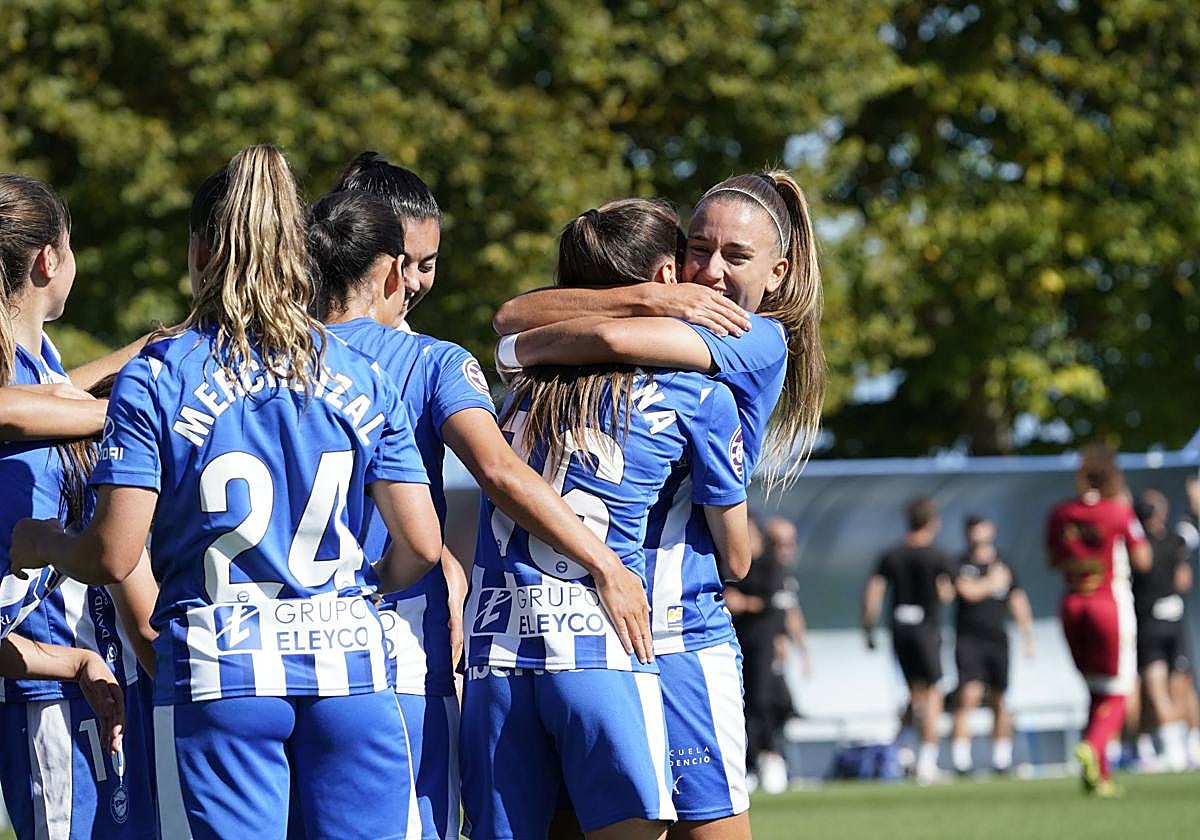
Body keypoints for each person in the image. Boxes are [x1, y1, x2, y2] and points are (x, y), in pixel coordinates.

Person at [10, 145, 445, 839]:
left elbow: (114, 555)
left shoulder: (160, 373)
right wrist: (358, 592)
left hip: (222, 669)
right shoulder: (362, 370)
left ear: (204, 248)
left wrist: (41, 542)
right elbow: (421, 545)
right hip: (350, 666)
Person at [307, 186, 652, 839]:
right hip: (392, 649)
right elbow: (497, 470)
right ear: (388, 269)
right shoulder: (430, 360)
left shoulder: (256, 362)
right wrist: (604, 562)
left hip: (273, 651)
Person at [493, 169, 824, 840]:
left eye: (737, 257)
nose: (710, 274)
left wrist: (522, 351)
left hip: (680, 636)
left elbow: (602, 338)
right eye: (699, 249)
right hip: (591, 632)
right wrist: (650, 296)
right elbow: (507, 314)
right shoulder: (667, 306)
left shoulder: (756, 339)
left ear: (778, 274)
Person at [462, 198, 751, 840]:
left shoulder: (513, 386)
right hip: (605, 648)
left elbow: (513, 324)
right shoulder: (697, 395)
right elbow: (738, 557)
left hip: (496, 656)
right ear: (664, 279)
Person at [0, 172, 157, 839]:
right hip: (41, 671)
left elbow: (60, 397)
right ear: (48, 261)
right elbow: (12, 410)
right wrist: (131, 413)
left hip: (83, 665)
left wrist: (147, 355)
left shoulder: (40, 353)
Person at [1046, 443, 1150, 797]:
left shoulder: (1060, 513)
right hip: (1109, 604)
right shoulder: (1118, 511)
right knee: (1120, 690)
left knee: (1096, 690)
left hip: (1073, 604)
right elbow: (1143, 557)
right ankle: (1093, 745)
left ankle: (1099, 775)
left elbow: (1052, 560)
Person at [861, 495, 955, 784]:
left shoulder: (891, 555)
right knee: (934, 690)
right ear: (932, 522)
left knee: (915, 693)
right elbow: (947, 593)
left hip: (899, 628)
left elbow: (873, 593)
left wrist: (868, 628)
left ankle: (903, 749)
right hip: (926, 629)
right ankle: (927, 761)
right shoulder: (938, 556)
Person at [725, 516, 808, 794]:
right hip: (738, 643)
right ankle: (748, 764)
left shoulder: (772, 567)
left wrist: (744, 603)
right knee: (740, 703)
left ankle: (770, 758)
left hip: (764, 645)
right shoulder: (729, 566)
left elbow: (778, 605)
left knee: (763, 701)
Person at [949, 515, 1034, 776]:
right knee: (969, 695)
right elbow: (966, 591)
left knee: (999, 699)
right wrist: (992, 582)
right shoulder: (960, 563)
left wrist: (1027, 636)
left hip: (997, 639)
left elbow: (1017, 599)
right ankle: (960, 761)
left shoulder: (1004, 563)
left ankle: (1001, 758)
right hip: (968, 639)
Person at [1131, 489, 1191, 771]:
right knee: (1168, 687)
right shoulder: (1174, 541)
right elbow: (1183, 581)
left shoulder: (1139, 543)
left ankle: (1177, 748)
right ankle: (1176, 748)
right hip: (1165, 621)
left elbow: (1183, 579)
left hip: (1155, 623)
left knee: (1164, 688)